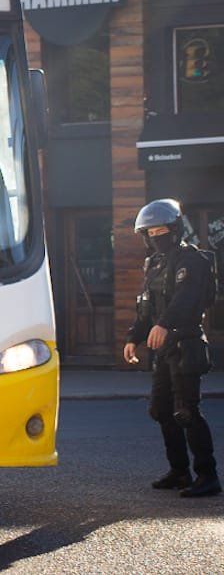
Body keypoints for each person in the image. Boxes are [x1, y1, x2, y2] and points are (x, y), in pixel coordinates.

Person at [124, 198, 219, 498]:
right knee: (161, 409)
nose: (156, 237)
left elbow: (187, 298)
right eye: (150, 233)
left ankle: (208, 476)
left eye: (161, 231)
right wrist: (133, 337)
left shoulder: (192, 260)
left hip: (186, 343)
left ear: (175, 229)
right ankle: (179, 472)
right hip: (164, 349)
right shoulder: (154, 264)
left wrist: (165, 324)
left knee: (186, 411)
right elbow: (146, 308)